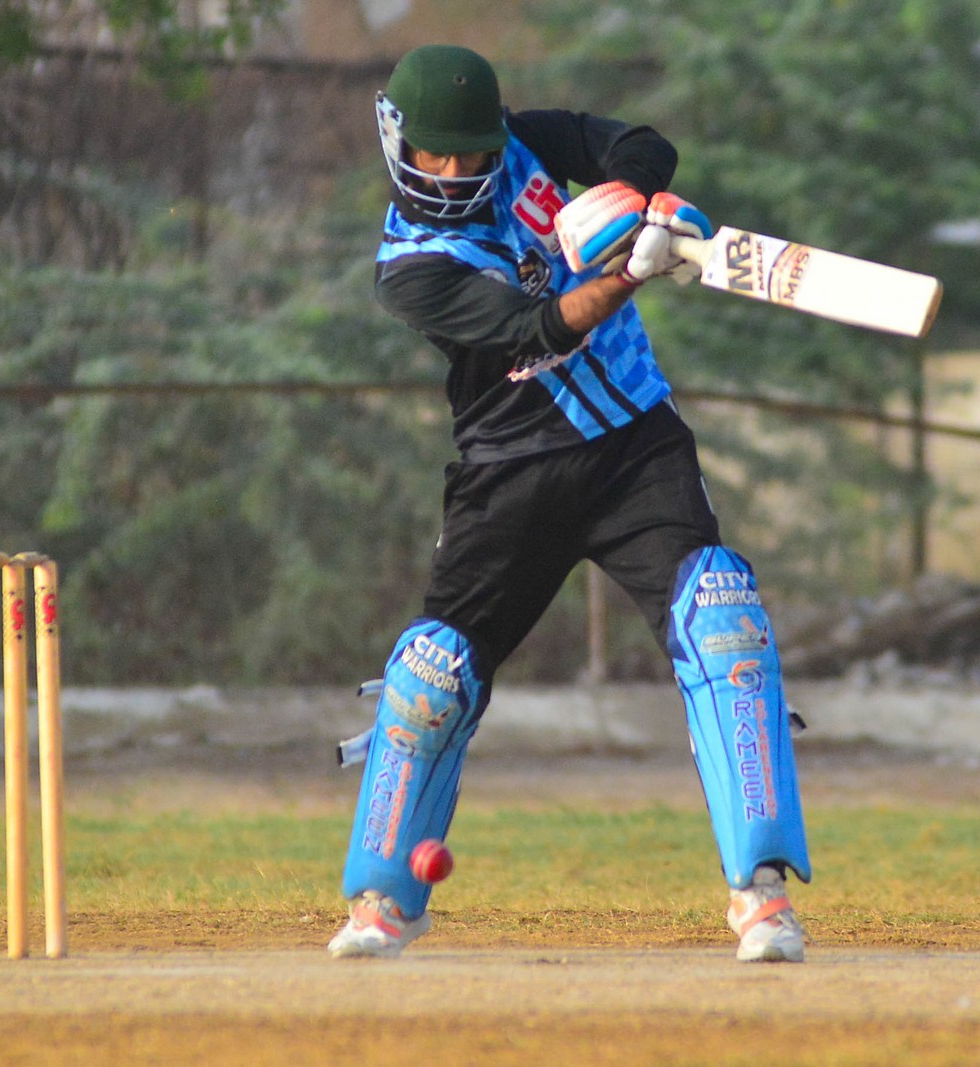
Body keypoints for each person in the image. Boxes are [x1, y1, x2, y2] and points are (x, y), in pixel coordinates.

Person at [329, 43, 811, 964]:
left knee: (722, 619)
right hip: (510, 474)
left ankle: (761, 894)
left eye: (473, 151)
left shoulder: (524, 141)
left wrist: (637, 201)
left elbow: (642, 143)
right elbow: (534, 329)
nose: (457, 169)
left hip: (636, 448)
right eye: (436, 154)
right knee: (431, 674)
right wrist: (631, 271)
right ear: (399, 143)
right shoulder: (409, 269)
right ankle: (384, 900)